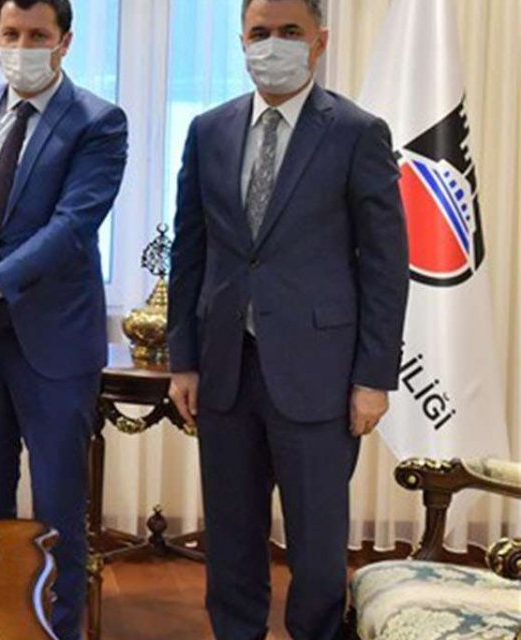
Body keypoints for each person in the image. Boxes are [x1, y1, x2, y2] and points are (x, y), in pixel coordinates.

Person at [167, 0, 409, 638]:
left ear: (320, 41)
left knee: (318, 552)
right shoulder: (208, 130)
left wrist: (374, 377)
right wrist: (183, 360)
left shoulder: (357, 132)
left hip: (320, 376)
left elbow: (385, 265)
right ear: (241, 40)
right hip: (225, 370)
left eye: (290, 32)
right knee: (230, 544)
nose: (273, 44)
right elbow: (188, 252)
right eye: (260, 32)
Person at [0, 0, 128, 637]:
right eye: (10, 33)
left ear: (65, 41)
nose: (22, 47)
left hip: (55, 344)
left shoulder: (99, 121)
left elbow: (69, 229)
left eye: (38, 35)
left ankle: (57, 629)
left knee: (59, 508)